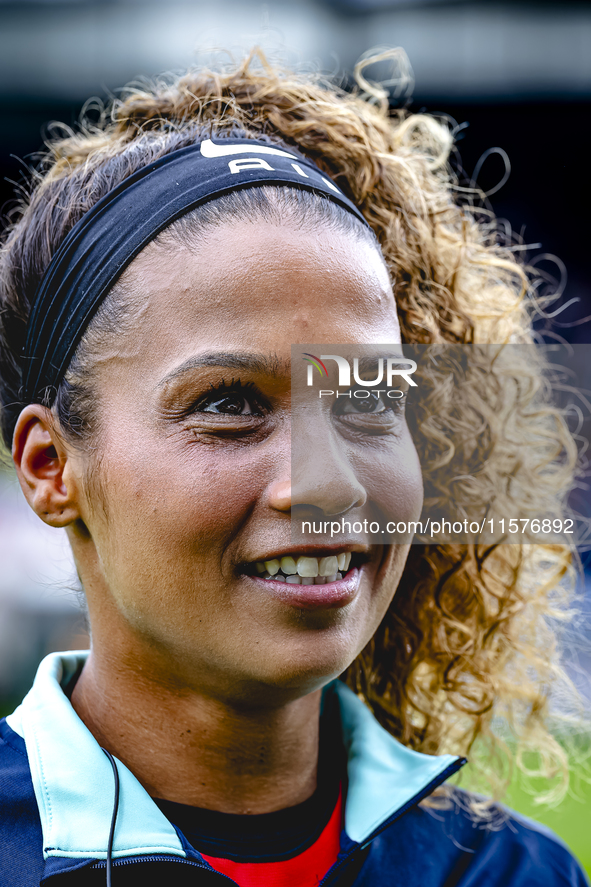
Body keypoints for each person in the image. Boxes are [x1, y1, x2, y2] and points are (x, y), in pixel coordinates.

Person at [0, 50, 588, 886]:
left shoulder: (510, 873)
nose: (327, 483)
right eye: (230, 402)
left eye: (365, 402)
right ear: (52, 465)